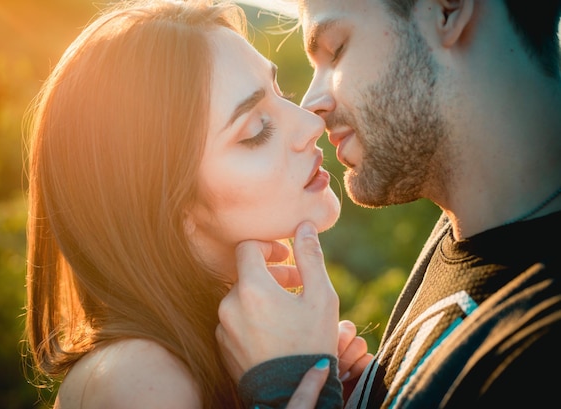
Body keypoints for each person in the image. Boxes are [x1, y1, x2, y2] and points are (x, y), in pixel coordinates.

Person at [21, 0, 373, 408]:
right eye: (256, 130)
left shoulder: (215, 352)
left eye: (281, 93)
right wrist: (284, 391)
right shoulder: (138, 379)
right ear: (171, 208)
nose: (312, 124)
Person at [216, 0, 561, 407]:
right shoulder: (469, 227)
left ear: (448, 10)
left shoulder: (539, 349)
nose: (311, 107)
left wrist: (286, 390)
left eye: (336, 49)